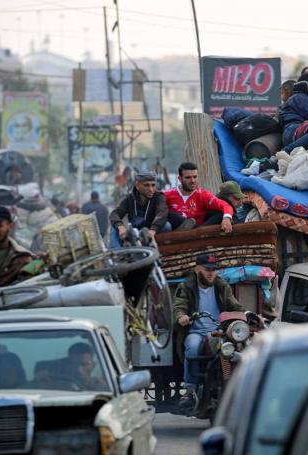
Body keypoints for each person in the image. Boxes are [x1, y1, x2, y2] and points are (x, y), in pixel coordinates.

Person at [172, 254, 243, 410]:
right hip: (196, 331)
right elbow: (178, 306)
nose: (211, 273)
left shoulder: (222, 286)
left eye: (213, 269)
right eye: (207, 269)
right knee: (191, 346)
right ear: (197, 269)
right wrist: (181, 317)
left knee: (232, 349)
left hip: (218, 331)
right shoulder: (186, 287)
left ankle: (233, 386)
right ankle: (190, 390)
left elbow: (235, 306)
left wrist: (247, 315)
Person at [164, 162, 234, 233]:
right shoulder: (167, 194)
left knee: (221, 213)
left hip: (198, 230)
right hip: (175, 229)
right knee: (166, 213)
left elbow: (226, 205)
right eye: (188, 178)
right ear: (180, 179)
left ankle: (197, 230)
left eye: (195, 177)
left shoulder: (203, 194)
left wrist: (227, 218)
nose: (193, 181)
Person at [108, 171, 169, 248]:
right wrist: (120, 226)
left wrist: (153, 230)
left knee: (167, 226)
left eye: (153, 185)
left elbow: (162, 213)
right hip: (135, 231)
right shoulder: (129, 198)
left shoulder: (159, 196)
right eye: (146, 185)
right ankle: (116, 254)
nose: (151, 189)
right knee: (114, 228)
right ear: (137, 186)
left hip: (152, 230)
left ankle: (158, 249)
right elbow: (114, 214)